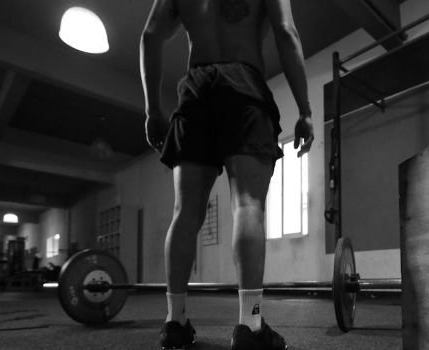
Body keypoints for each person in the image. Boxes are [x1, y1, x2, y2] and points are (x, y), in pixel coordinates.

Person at [140, 0, 313, 349]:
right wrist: (305, 109)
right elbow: (285, 31)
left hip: (195, 92)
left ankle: (174, 322)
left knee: (185, 212)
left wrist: (153, 110)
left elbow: (150, 36)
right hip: (244, 86)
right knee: (248, 205)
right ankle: (249, 325)